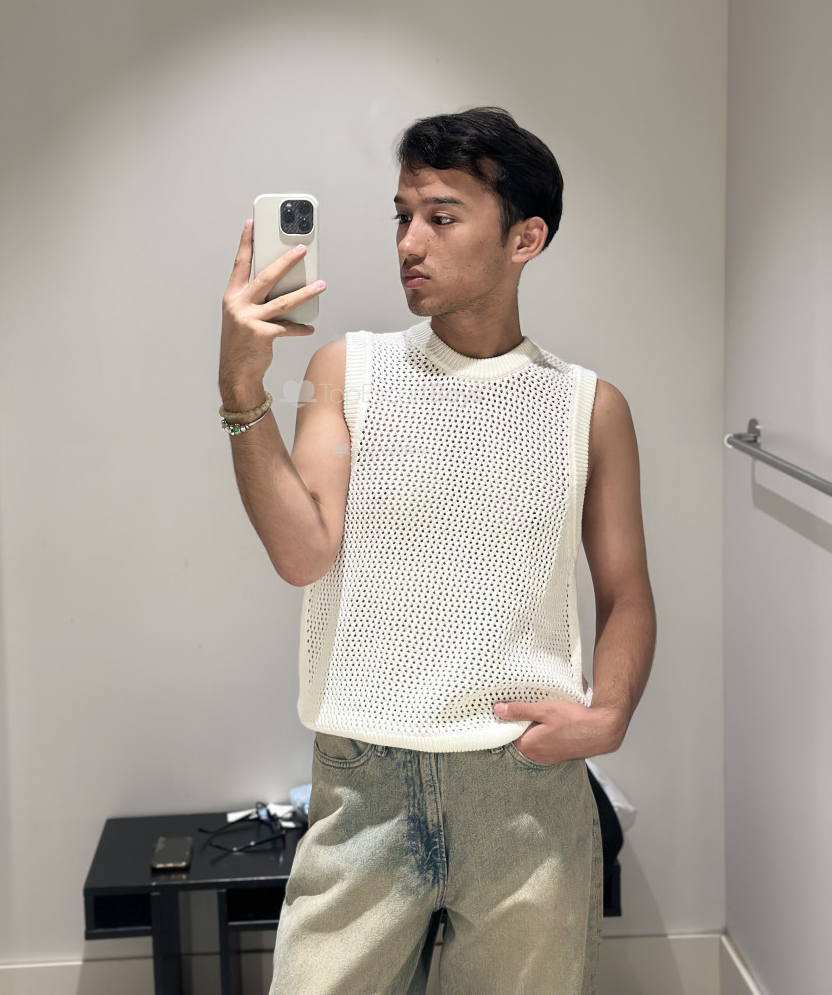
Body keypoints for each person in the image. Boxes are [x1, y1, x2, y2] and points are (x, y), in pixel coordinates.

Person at [217, 106, 656, 995]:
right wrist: (240, 387)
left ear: (525, 237)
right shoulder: (346, 372)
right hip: (364, 781)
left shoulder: (590, 407)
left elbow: (628, 594)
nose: (409, 243)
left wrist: (610, 713)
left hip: (525, 791)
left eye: (441, 218)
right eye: (403, 216)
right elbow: (303, 555)